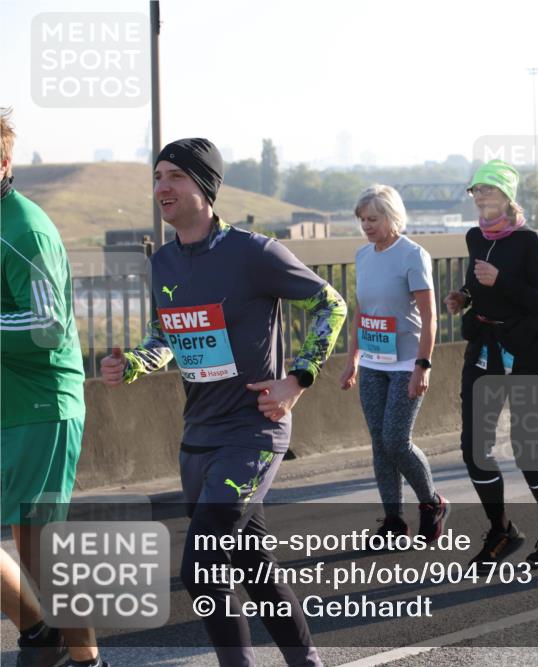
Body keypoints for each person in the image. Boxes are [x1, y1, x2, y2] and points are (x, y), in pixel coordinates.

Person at [100, 138, 346, 666]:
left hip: (253, 432)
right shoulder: (163, 262)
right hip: (198, 436)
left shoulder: (253, 253)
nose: (162, 187)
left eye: (175, 176)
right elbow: (166, 336)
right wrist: (132, 364)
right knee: (253, 562)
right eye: (158, 176)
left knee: (201, 567)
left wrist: (298, 379)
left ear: (205, 187)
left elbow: (331, 303)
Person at [0, 107, 106, 667]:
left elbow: (48, 326)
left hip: (41, 406)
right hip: (6, 404)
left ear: (3, 162)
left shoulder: (26, 229)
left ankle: (87, 660)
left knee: (42, 549)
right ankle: (41, 637)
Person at [444, 159, 538, 569]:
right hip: (484, 350)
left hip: (527, 353)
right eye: (476, 190)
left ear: (506, 196)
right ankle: (501, 531)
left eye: (487, 189)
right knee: (474, 450)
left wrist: (500, 280)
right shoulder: (474, 237)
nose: (479, 196)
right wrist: (464, 295)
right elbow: (478, 281)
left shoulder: (529, 241)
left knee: (527, 450)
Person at [339, 184, 449, 542]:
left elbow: (430, 317)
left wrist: (422, 365)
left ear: (392, 216)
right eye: (362, 220)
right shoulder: (363, 255)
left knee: (396, 441)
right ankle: (393, 521)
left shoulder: (413, 255)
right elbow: (362, 311)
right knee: (379, 444)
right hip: (373, 362)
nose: (366, 226)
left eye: (373, 219)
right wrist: (353, 359)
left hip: (406, 364)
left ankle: (432, 503)